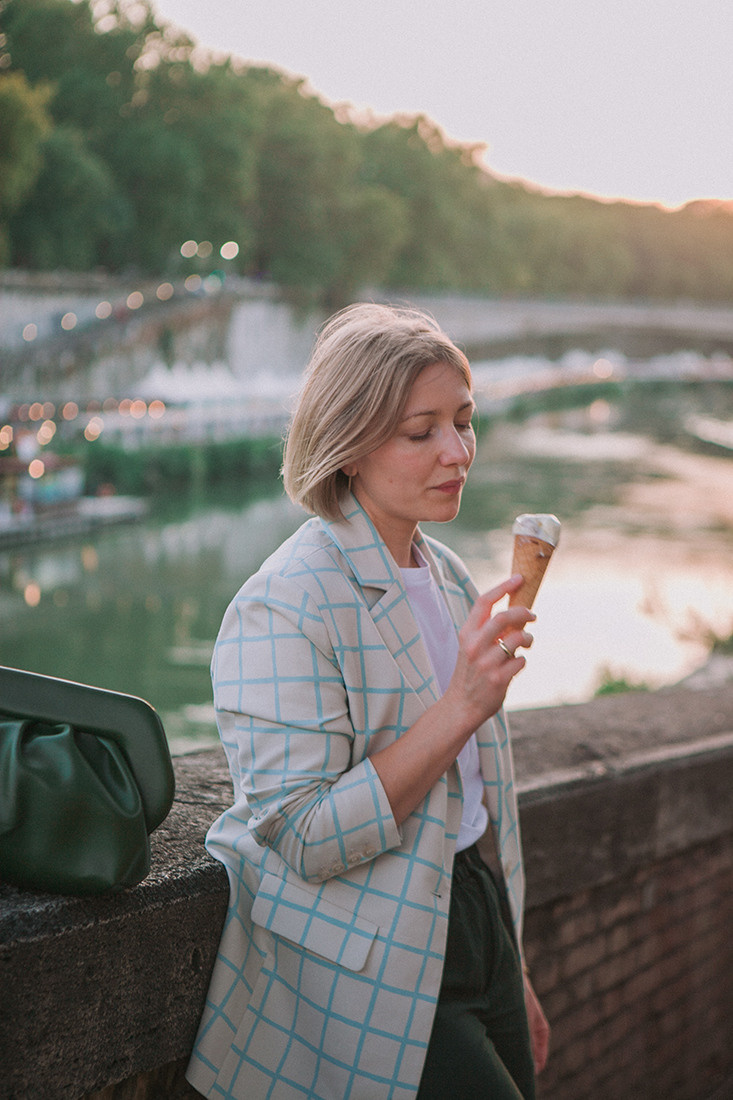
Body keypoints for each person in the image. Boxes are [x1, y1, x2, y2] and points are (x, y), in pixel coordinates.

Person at [186, 303, 550, 1100]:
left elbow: (470, 803)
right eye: (421, 432)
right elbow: (305, 835)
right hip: (371, 951)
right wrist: (460, 705)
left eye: (463, 420)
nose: (457, 452)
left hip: (473, 915)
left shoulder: (449, 574)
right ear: (348, 445)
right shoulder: (283, 602)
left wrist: (507, 962)